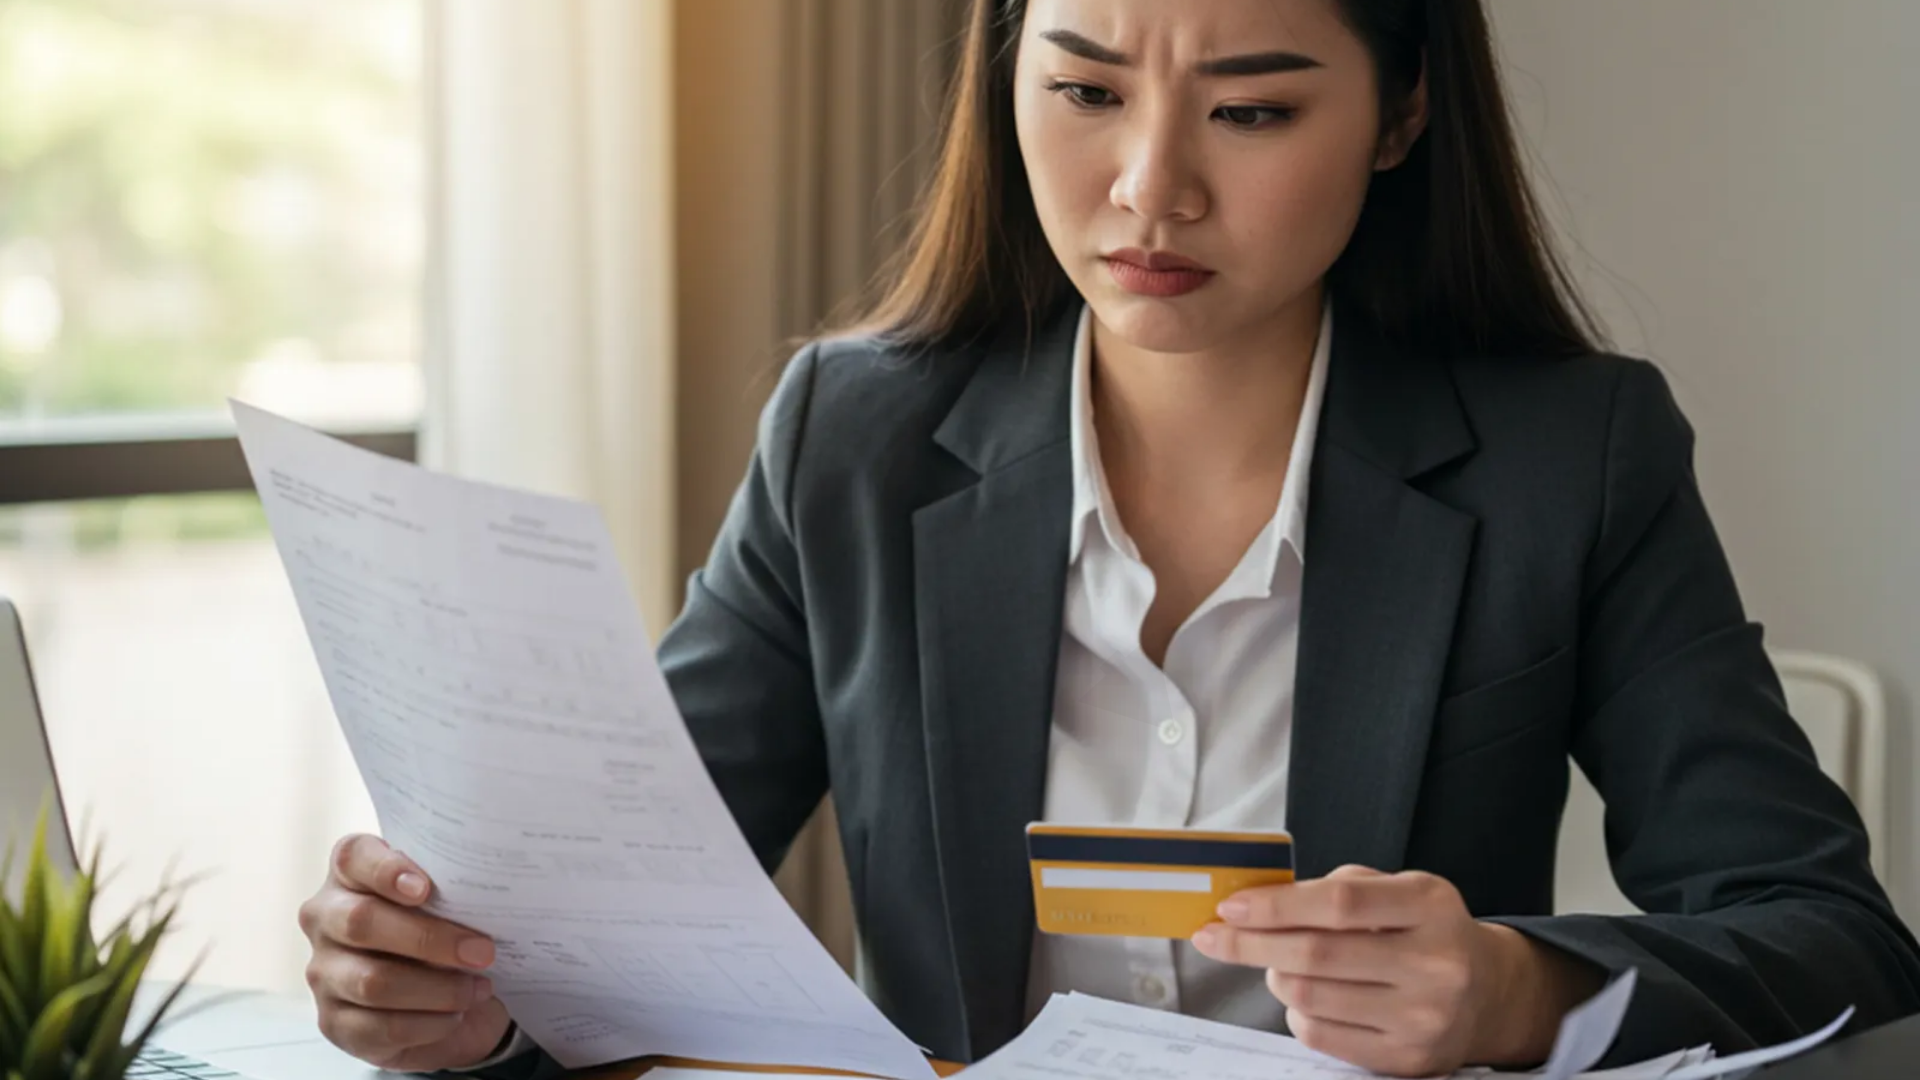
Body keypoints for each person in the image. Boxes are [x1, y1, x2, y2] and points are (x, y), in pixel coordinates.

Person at [295, 0, 1920, 1077]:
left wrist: (1513, 993)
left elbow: (1831, 934)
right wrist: (462, 990)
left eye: (1254, 111)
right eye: (1081, 90)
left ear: (1402, 112)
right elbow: (611, 921)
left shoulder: (1576, 454)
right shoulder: (847, 437)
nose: (1149, 189)